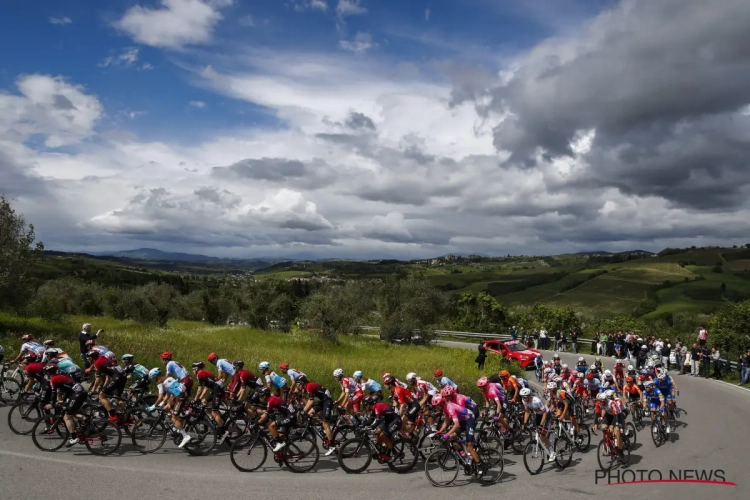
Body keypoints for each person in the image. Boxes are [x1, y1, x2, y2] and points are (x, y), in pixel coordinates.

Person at [520, 387, 555, 462]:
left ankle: (552, 452)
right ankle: (545, 444)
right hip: (539, 415)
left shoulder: (536, 401)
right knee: (537, 432)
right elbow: (527, 412)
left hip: (546, 414)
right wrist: (525, 423)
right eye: (522, 397)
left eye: (525, 397)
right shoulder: (524, 401)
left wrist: (541, 425)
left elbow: (545, 413)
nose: (524, 399)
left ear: (529, 396)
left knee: (542, 434)